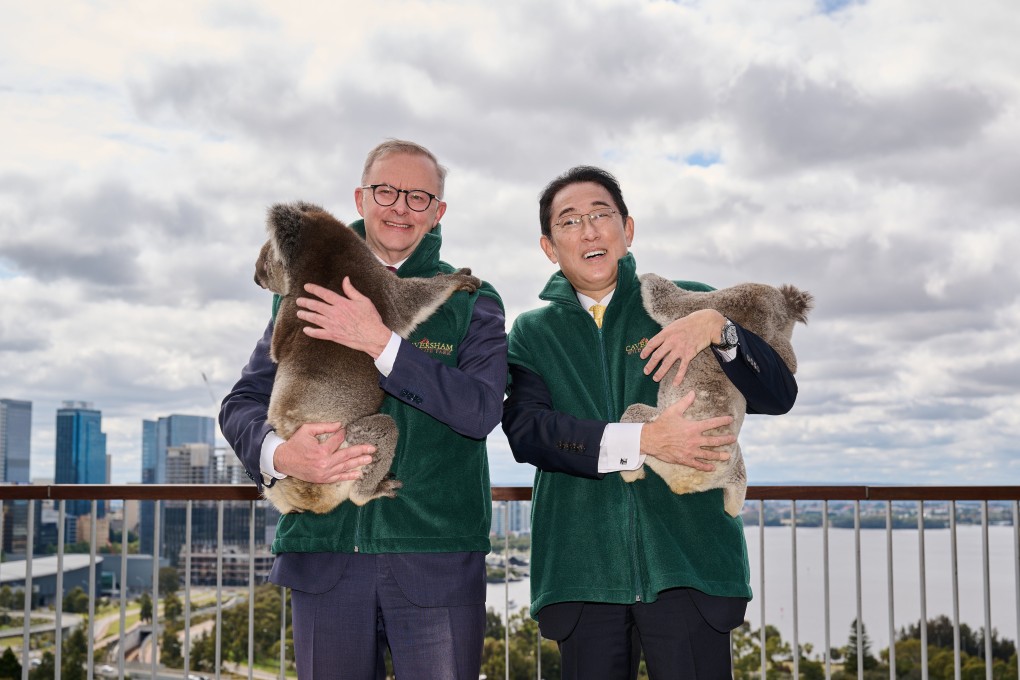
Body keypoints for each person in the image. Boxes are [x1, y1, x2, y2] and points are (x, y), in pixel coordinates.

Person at [220, 139, 507, 679]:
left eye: (418, 197)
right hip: (323, 556)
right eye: (386, 191)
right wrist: (281, 455)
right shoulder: (303, 290)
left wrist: (382, 344)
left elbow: (480, 411)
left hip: (436, 559)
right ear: (361, 198)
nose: (400, 206)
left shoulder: (472, 300)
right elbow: (241, 403)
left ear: (438, 211)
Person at [501, 166, 798, 679]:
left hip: (690, 563)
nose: (589, 230)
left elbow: (778, 394)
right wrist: (643, 440)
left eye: (601, 215)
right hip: (583, 572)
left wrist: (721, 330)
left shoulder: (690, 304)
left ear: (628, 229)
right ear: (550, 247)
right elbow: (528, 433)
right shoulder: (532, 332)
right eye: (570, 222)